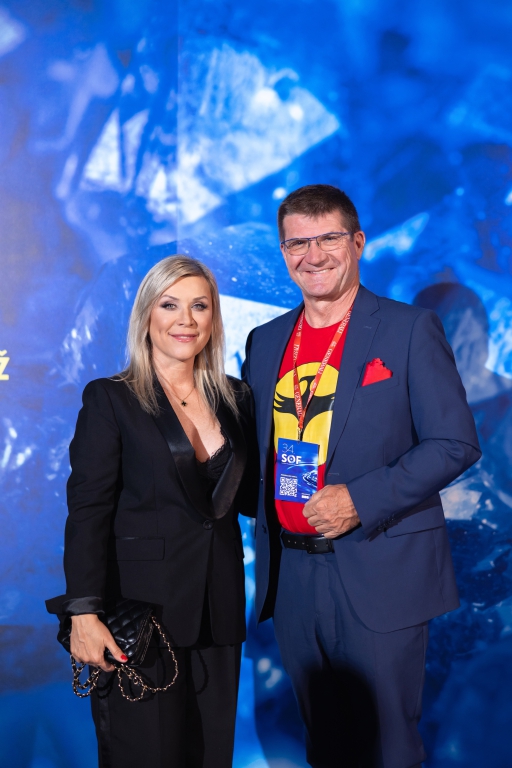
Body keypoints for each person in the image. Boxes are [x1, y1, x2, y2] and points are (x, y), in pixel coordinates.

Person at [242, 185, 481, 768]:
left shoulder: (408, 329)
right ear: (283, 251)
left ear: (358, 242)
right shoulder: (266, 341)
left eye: (328, 238)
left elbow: (455, 443)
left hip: (379, 565)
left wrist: (359, 499)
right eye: (297, 243)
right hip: (292, 576)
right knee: (325, 747)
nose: (313, 255)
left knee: (388, 749)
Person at [46, 255, 257, 768]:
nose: (186, 320)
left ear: (213, 318)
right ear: (146, 315)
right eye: (170, 305)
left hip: (219, 614)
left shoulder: (236, 396)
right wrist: (83, 611)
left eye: (199, 306)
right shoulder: (111, 399)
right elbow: (88, 510)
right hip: (140, 619)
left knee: (211, 758)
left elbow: (246, 498)